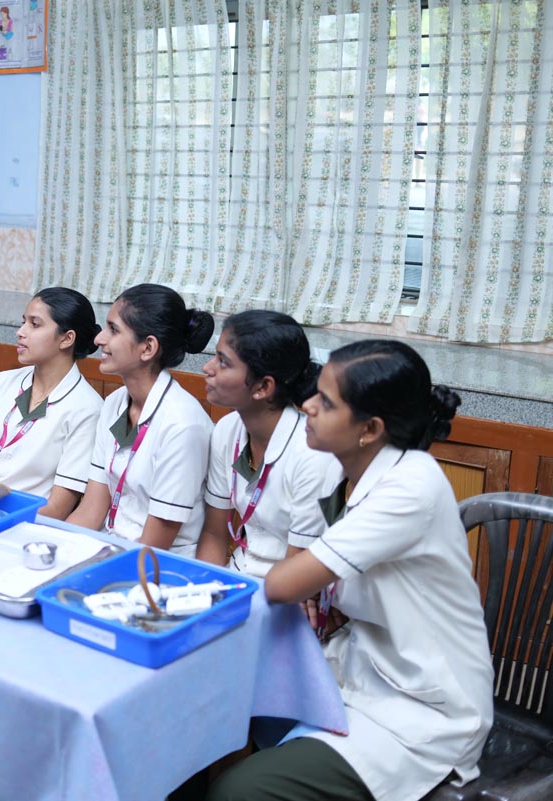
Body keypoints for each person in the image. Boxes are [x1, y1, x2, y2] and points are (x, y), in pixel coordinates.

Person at [208, 340, 494, 801]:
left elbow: (282, 584)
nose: (307, 405)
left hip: (418, 708)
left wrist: (308, 583)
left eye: (326, 402)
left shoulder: (410, 485)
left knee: (239, 790)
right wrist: (319, 590)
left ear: (370, 429)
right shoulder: (346, 470)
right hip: (354, 667)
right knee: (211, 716)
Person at [66, 284, 213, 552]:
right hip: (108, 548)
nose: (99, 339)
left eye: (114, 330)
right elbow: (91, 510)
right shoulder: (114, 403)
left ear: (147, 348)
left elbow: (153, 547)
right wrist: (55, 546)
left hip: (154, 563)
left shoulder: (183, 425)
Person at [195, 310, 330, 577]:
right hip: (237, 572)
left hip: (289, 586)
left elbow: (299, 572)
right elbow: (213, 533)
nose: (207, 368)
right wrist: (205, 588)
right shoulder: (227, 430)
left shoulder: (311, 454)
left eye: (223, 362)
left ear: (263, 387)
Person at [0, 287, 102, 518]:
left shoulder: (87, 409)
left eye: (35, 324)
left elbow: (57, 509)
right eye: (24, 322)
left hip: (25, 520)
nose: (20, 332)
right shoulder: (3, 382)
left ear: (66, 338)